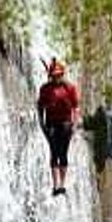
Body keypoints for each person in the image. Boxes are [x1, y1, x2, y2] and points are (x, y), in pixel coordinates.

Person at [37, 58, 80, 197]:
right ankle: (56, 185)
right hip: (51, 124)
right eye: (54, 75)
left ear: (62, 74)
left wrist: (75, 123)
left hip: (66, 124)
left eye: (59, 75)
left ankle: (62, 184)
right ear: (50, 75)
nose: (56, 77)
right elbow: (40, 107)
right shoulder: (45, 89)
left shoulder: (69, 88)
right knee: (54, 152)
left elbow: (76, 107)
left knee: (63, 153)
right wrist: (41, 123)